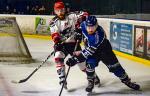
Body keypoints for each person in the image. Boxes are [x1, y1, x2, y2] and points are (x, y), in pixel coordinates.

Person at [66, 16, 140, 92]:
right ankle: (91, 81)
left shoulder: (98, 35)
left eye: (93, 27)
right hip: (93, 52)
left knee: (116, 68)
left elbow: (88, 52)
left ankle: (127, 81)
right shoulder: (83, 24)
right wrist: (78, 31)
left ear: (97, 25)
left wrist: (75, 59)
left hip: (105, 52)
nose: (90, 29)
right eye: (89, 27)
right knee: (89, 65)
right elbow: (80, 22)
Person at [49, 1, 100, 89]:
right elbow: (54, 34)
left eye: (62, 10)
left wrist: (80, 24)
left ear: (65, 9)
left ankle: (93, 76)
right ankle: (62, 78)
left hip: (73, 44)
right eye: (58, 10)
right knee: (58, 57)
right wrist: (57, 42)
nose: (60, 12)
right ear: (55, 11)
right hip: (62, 45)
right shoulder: (53, 22)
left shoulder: (72, 15)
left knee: (83, 66)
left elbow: (85, 14)